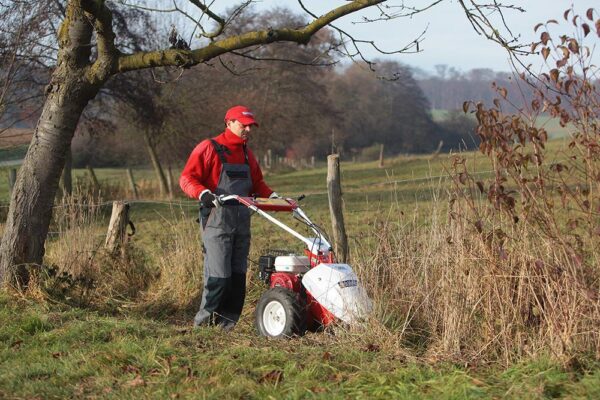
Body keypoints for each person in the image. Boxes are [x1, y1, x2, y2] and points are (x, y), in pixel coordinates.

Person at [179, 105, 278, 330]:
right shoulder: (209, 147)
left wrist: (274, 197)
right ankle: (204, 326)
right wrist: (202, 193)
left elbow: (258, 184)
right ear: (229, 123)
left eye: (250, 126)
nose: (248, 130)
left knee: (237, 278)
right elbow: (187, 178)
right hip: (217, 222)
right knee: (218, 277)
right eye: (243, 125)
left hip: (242, 223)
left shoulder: (246, 153)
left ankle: (226, 328)